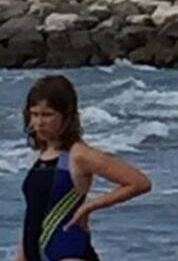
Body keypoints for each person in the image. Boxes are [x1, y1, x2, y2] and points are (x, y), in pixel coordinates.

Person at [17, 75, 151, 261]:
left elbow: (139, 182)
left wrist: (89, 206)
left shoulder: (79, 154)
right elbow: (33, 216)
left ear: (66, 116)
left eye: (47, 115)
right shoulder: (43, 155)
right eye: (34, 114)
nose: (39, 123)